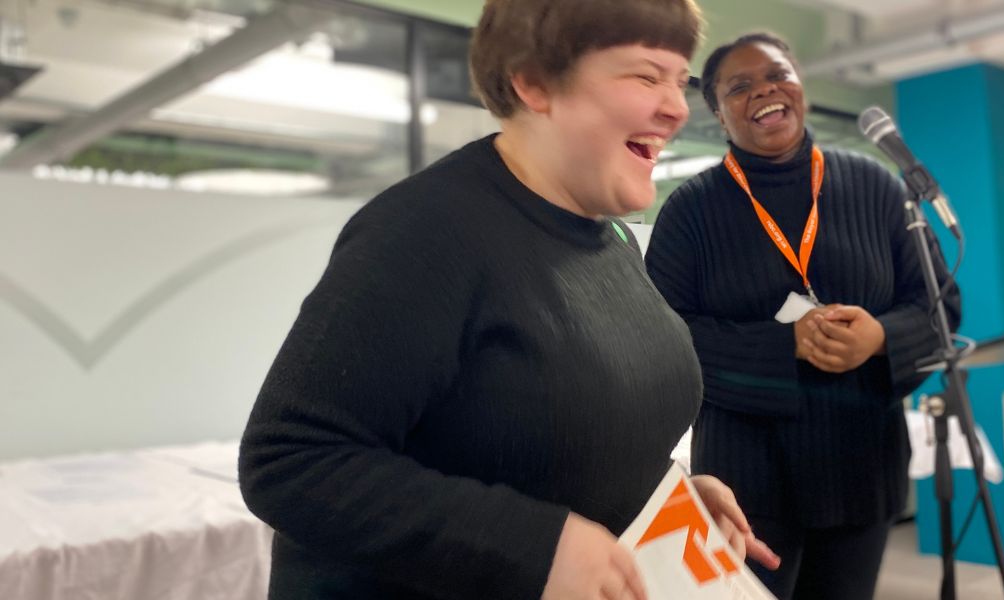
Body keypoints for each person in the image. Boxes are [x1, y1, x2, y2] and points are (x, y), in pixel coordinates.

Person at [238, 2, 780, 599]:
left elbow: (556, 430)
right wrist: (532, 544)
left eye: (681, 81)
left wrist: (665, 496)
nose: (678, 106)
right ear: (534, 82)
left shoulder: (614, 238)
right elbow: (289, 461)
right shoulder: (426, 230)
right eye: (646, 76)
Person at [644, 32, 961, 600]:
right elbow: (662, 341)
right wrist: (782, 347)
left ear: (800, 87)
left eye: (778, 75)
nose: (765, 91)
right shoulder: (689, 212)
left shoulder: (878, 187)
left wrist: (881, 336)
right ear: (717, 112)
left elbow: (942, 307)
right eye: (740, 87)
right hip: (745, 485)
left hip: (861, 468)